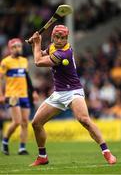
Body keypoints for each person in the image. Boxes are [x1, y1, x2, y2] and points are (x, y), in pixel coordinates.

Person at [29, 25, 116, 166]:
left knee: (84, 120)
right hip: (58, 93)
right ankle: (42, 156)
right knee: (36, 123)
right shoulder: (52, 47)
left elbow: (38, 62)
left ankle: (107, 152)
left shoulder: (64, 54)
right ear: (52, 37)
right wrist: (35, 44)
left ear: (67, 38)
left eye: (63, 38)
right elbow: (41, 54)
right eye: (57, 37)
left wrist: (37, 43)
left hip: (73, 91)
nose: (60, 40)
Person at [0, 38, 32, 155]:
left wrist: (33, 92)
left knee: (25, 122)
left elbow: (27, 79)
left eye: (19, 46)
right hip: (12, 95)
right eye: (14, 47)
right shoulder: (5, 62)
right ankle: (5, 140)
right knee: (17, 121)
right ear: (10, 49)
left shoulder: (24, 61)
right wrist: (1, 95)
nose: (17, 48)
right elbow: (1, 80)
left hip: (24, 95)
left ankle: (22, 148)